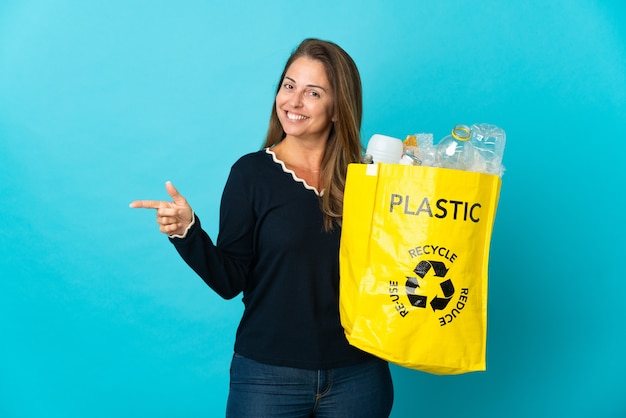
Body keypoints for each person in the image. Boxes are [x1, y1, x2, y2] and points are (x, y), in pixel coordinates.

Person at [130, 38, 394, 417]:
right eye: (289, 86)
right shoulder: (251, 174)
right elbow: (229, 280)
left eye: (313, 92)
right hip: (268, 378)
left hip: (359, 376)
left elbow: (390, 271)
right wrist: (187, 232)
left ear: (338, 109)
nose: (293, 102)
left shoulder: (367, 179)